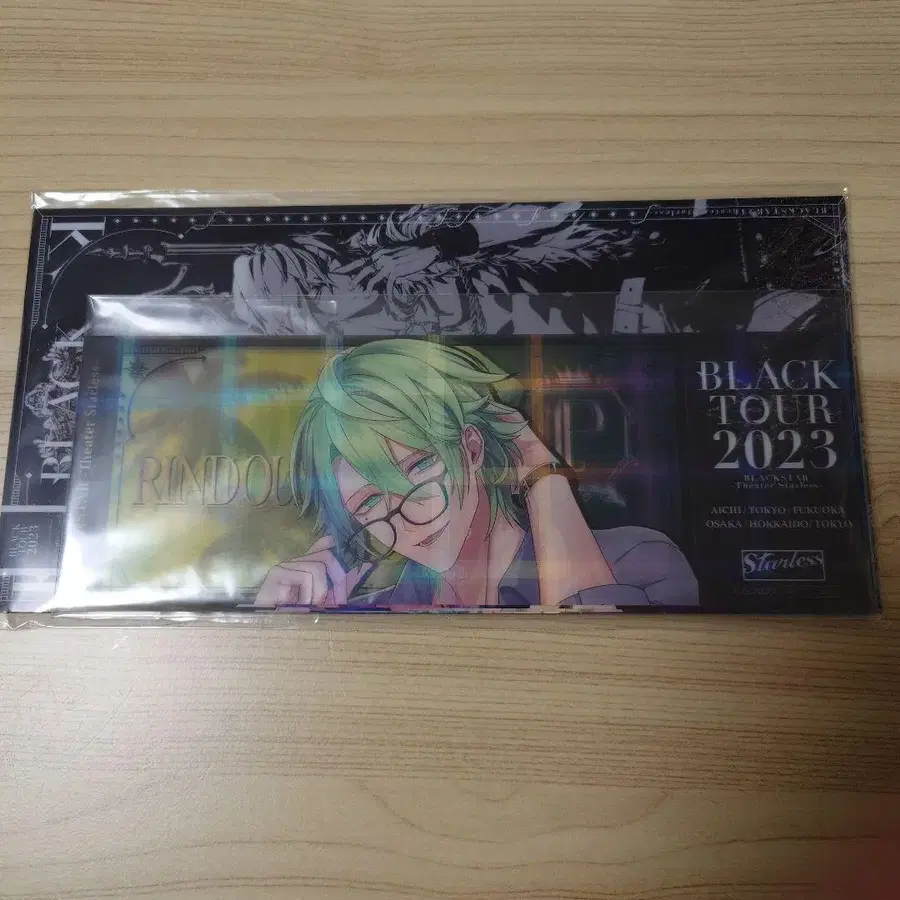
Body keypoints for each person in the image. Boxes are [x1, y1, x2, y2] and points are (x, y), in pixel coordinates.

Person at [254, 339, 699, 611]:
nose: (412, 517)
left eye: (419, 467)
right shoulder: (375, 612)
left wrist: (542, 475)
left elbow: (606, 676)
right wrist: (288, 631)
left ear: (471, 447)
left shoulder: (636, 563)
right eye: (370, 502)